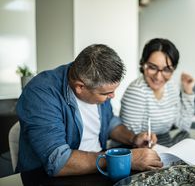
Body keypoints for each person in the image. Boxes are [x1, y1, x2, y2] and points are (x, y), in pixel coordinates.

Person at [16, 44, 162, 177]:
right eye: (106, 94)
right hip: (47, 179)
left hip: (100, 168)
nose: (112, 96)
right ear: (80, 87)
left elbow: (109, 122)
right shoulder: (40, 94)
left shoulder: (94, 79)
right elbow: (58, 162)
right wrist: (127, 158)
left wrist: (133, 138)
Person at [120, 38, 195, 146]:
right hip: (137, 151)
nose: (158, 76)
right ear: (143, 64)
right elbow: (131, 140)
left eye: (166, 69)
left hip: (163, 146)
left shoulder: (172, 87)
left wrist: (187, 92)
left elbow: (184, 126)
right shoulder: (136, 91)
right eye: (152, 67)